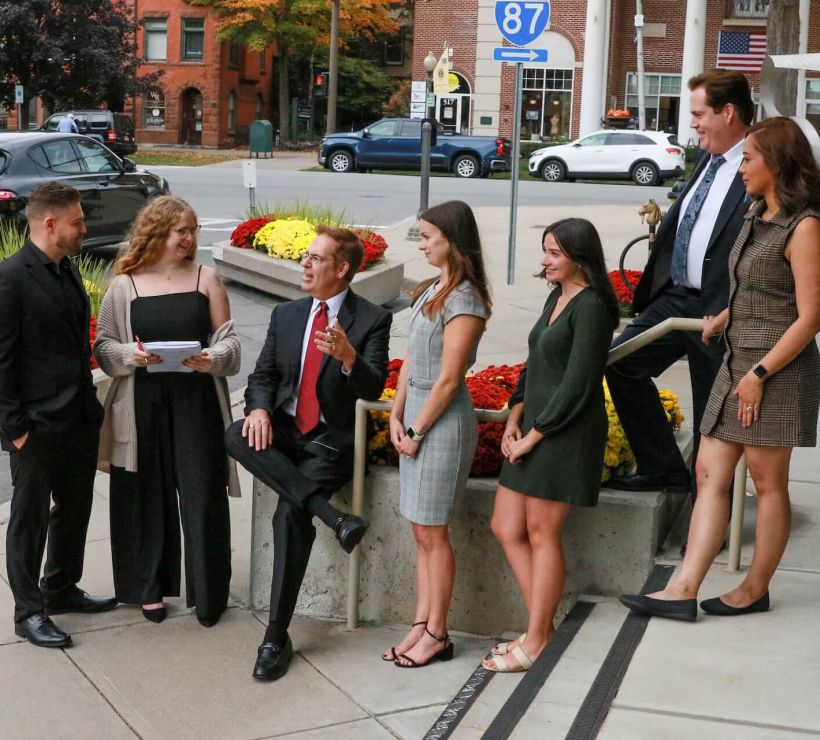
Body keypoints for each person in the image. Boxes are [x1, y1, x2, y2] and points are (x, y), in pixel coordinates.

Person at [620, 117, 820, 622]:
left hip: (775, 369)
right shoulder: (757, 213)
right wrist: (727, 315)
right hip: (737, 360)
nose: (741, 169)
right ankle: (684, 588)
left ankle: (754, 588)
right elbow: (754, 283)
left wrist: (760, 375)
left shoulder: (805, 226)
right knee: (710, 473)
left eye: (749, 159)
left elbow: (811, 314)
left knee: (767, 482)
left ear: (776, 164)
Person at [225, 226, 391, 682]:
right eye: (305, 256)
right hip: (283, 429)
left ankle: (275, 636)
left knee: (289, 515)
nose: (305, 263)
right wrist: (258, 409)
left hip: (328, 439)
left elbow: (374, 384)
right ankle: (333, 517)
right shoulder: (287, 314)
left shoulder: (371, 318)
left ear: (341, 268)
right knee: (236, 432)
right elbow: (263, 376)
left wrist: (349, 357)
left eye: (316, 258)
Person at [94, 196, 240, 627]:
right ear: (157, 232)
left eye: (194, 228)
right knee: (144, 495)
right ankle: (149, 589)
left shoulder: (207, 278)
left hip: (197, 402)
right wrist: (131, 355)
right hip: (141, 405)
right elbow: (103, 347)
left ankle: (210, 594)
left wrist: (212, 358)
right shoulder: (125, 285)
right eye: (182, 230)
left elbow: (230, 343)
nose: (190, 237)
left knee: (202, 493)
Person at [605, 70, 753, 494]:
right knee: (620, 362)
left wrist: (734, 308)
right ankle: (662, 467)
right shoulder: (707, 157)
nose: (692, 123)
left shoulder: (761, 161)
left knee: (715, 415)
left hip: (720, 311)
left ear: (728, 112)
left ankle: (711, 517)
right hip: (675, 300)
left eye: (698, 113)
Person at [483, 219, 620, 672]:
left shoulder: (593, 305)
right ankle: (542, 628)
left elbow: (579, 384)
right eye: (545, 251)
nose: (544, 261)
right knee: (506, 526)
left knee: (542, 534)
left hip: (566, 435)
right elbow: (535, 363)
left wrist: (535, 437)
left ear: (580, 257)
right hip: (532, 429)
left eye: (554, 253)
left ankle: (537, 639)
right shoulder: (554, 295)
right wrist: (513, 419)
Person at [0, 182, 116, 648]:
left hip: (77, 417)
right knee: (29, 519)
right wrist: (16, 430)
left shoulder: (65, 271)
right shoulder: (10, 279)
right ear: (50, 224)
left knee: (75, 507)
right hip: (36, 426)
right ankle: (28, 611)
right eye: (77, 221)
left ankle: (61, 588)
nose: (84, 228)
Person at [383, 201, 491, 668]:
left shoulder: (466, 298)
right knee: (420, 531)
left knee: (434, 531)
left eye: (427, 236)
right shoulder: (432, 289)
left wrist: (418, 429)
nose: (422, 244)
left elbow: (449, 378)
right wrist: (395, 414)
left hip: (443, 423)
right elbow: (410, 360)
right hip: (417, 419)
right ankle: (420, 623)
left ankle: (438, 634)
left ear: (451, 238)